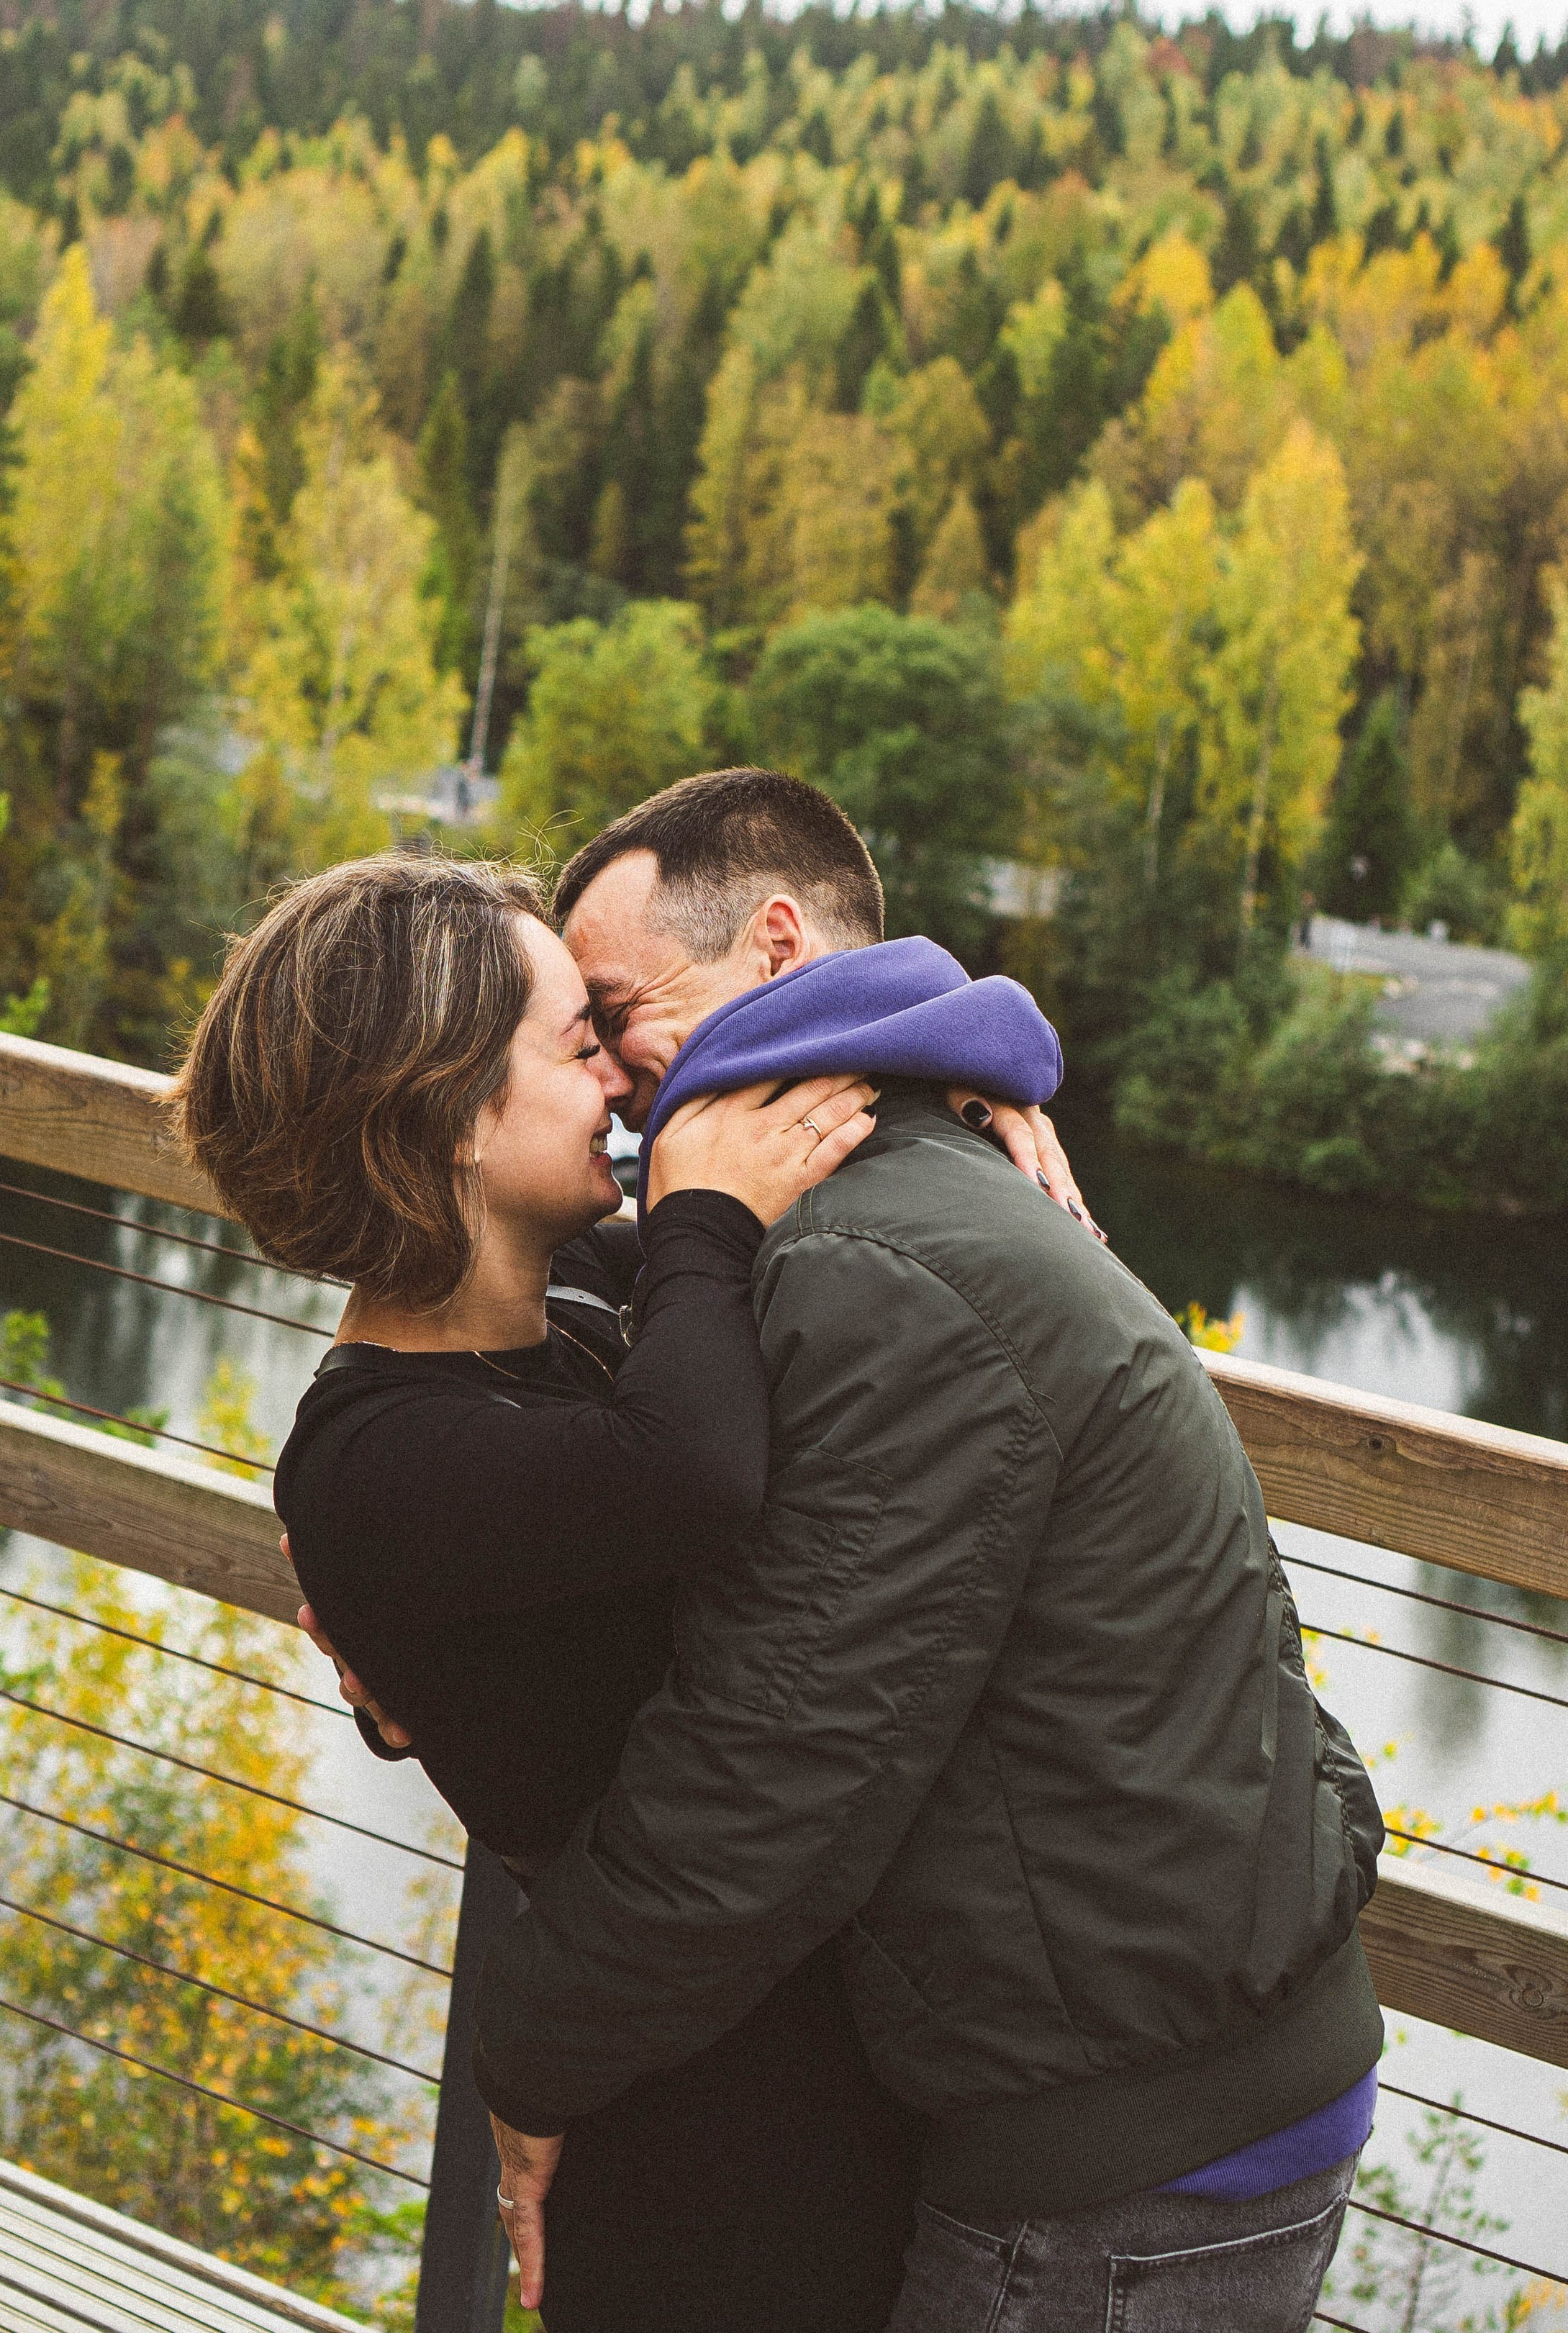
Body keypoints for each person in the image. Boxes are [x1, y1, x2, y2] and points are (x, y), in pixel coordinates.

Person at [457, 769, 1386, 2333]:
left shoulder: (882, 1265)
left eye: (616, 1013)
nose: (609, 1082)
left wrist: (531, 2051)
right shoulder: (906, 1194)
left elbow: (772, 1763)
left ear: (772, 944)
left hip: (1133, 2147)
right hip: (1165, 2064)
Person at [168, 849, 1067, 2333]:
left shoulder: (571, 1296)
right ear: (455, 1113)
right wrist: (705, 1216)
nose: (622, 1087)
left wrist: (959, 1109)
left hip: (806, 2062)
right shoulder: (371, 1457)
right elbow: (690, 1469)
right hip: (695, 2147)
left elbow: (781, 1225)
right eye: (577, 1045)